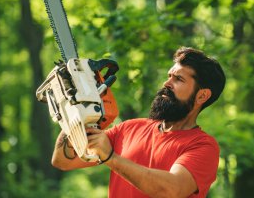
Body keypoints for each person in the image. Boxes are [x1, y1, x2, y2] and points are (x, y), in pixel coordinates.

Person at [51, 47, 226, 198]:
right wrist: (78, 111)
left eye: (178, 79)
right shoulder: (130, 128)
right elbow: (63, 161)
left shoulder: (203, 146)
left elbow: (171, 189)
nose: (167, 83)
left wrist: (111, 158)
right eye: (169, 76)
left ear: (202, 95)